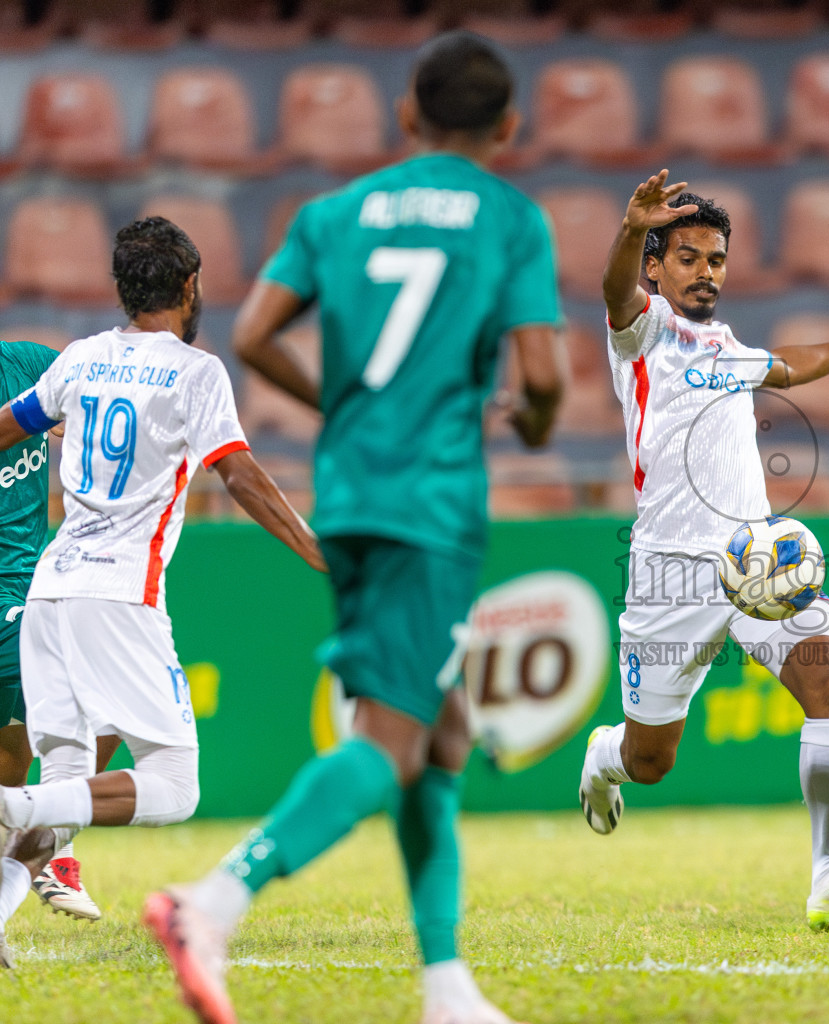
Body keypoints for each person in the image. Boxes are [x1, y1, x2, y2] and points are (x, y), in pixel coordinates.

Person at [145, 32, 563, 1024]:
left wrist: (352, 401)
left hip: (354, 497)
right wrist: (527, 420)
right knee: (393, 736)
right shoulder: (511, 216)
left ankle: (446, 985)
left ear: (407, 117)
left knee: (442, 729)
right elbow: (543, 380)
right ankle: (215, 900)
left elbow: (250, 338)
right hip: (433, 506)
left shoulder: (332, 213)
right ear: (507, 126)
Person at [579, 169, 829, 931]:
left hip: (755, 560)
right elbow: (612, 292)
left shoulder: (727, 347)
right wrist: (631, 231)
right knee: (652, 761)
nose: (706, 272)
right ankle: (605, 757)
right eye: (689, 257)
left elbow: (791, 363)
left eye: (717, 259)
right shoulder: (642, 333)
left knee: (828, 684)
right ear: (657, 268)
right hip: (666, 573)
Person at [0, 216, 325, 970]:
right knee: (173, 786)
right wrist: (317, 551)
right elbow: (237, 472)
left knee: (69, 794)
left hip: (49, 596)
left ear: (122, 290)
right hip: (118, 597)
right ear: (189, 285)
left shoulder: (80, 360)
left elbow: (10, 427)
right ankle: (7, 804)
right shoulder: (194, 371)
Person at [0, 335, 122, 935]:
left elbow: (102, 410)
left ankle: (33, 850)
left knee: (13, 760)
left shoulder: (27, 365)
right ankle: (54, 852)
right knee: (99, 682)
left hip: (38, 578)